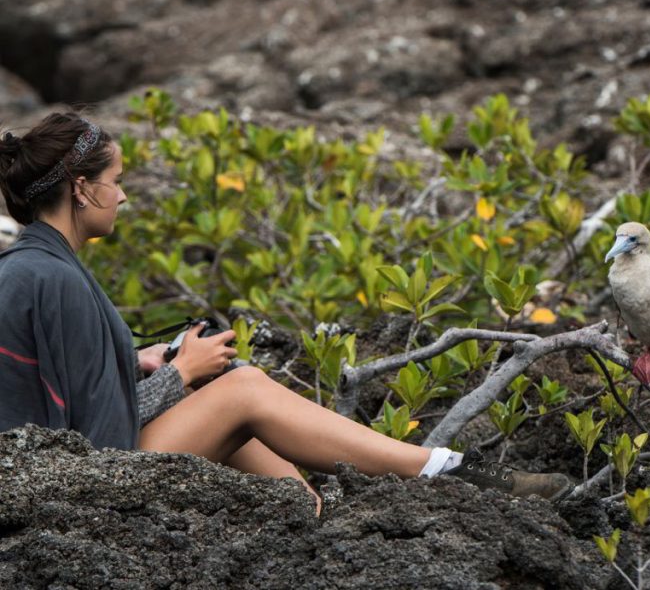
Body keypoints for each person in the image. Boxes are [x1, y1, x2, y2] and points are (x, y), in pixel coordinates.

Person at [0, 112, 573, 513]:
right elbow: (98, 438)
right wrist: (182, 373)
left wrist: (134, 361)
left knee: (231, 398)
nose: (123, 197)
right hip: (69, 488)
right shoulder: (52, 276)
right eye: (116, 182)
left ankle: (309, 513)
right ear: (81, 189)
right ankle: (450, 473)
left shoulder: (36, 265)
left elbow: (66, 393)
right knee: (242, 389)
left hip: (49, 474)